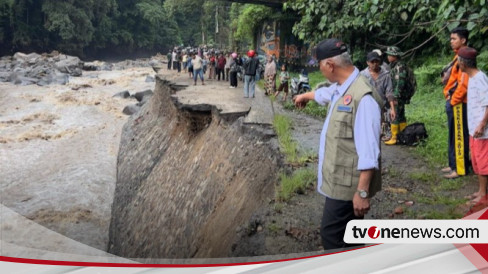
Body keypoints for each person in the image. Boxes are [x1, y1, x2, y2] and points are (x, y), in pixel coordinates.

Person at [293, 38, 382, 250]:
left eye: (320, 66)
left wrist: (362, 193)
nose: (320, 71)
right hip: (341, 182)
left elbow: (369, 151)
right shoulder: (343, 87)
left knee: (332, 235)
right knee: (350, 237)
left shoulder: (363, 98)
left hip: (348, 188)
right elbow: (326, 94)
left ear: (329, 65)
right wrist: (305, 95)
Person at [457, 47, 488, 205]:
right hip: (474, 129)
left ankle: (483, 194)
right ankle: (480, 191)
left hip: (482, 131)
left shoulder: (480, 78)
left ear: (463, 63)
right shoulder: (472, 78)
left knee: (483, 161)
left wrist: (482, 124)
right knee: (476, 160)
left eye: (458, 61)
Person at [441, 27, 471, 179]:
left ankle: (459, 168)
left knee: (459, 135)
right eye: (451, 39)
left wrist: (453, 100)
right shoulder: (457, 56)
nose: (451, 41)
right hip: (454, 101)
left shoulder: (465, 56)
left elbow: (463, 83)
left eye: (454, 39)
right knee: (453, 134)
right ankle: (453, 164)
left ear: (463, 40)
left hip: (459, 103)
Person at [361, 51, 393, 139]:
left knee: (381, 131)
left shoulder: (386, 74)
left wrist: (392, 108)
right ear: (367, 63)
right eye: (372, 62)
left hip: (383, 106)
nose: (375, 64)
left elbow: (389, 92)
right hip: (368, 106)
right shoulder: (362, 75)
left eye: (377, 61)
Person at [383, 46, 409, 145]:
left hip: (398, 96)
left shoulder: (399, 67)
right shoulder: (396, 65)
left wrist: (395, 97)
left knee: (395, 115)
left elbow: (400, 83)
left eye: (390, 55)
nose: (388, 57)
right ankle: (403, 136)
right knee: (401, 116)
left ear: (395, 56)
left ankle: (394, 137)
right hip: (400, 96)